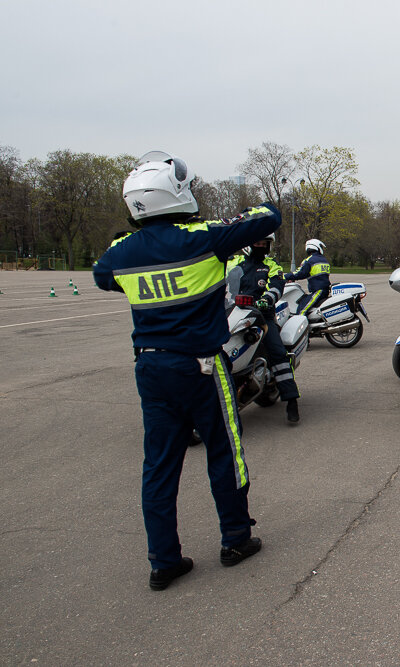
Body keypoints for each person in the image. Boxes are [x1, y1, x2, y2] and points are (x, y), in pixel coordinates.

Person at [93, 151, 277, 591]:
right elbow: (267, 216)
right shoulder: (203, 238)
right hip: (201, 365)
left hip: (151, 365)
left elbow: (103, 275)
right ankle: (235, 537)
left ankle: (164, 560)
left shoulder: (123, 251)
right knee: (224, 450)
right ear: (174, 193)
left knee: (158, 465)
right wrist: (237, 216)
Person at [231, 234, 301, 423]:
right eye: (257, 242)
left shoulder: (272, 265)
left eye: (264, 243)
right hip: (232, 313)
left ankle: (291, 399)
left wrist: (267, 299)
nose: (261, 246)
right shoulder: (233, 262)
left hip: (261, 315)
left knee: (277, 353)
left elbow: (277, 285)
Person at [284, 238, 332, 315]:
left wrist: (285, 277)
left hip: (318, 291)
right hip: (324, 290)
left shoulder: (310, 260)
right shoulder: (323, 259)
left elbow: (299, 273)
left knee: (301, 310)